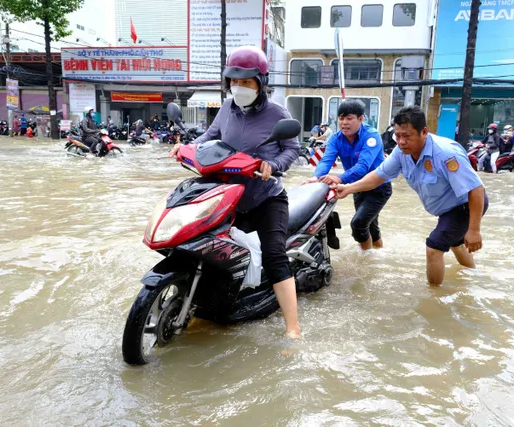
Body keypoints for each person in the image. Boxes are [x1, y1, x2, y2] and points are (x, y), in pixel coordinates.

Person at [168, 45, 301, 338]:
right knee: (199, 241)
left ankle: (293, 328)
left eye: (246, 82)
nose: (239, 87)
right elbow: (211, 136)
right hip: (227, 193)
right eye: (234, 81)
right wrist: (188, 148)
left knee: (274, 256)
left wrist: (273, 164)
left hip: (265, 196)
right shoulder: (227, 108)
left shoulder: (277, 113)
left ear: (261, 82)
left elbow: (292, 148)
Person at [333, 107, 488, 285]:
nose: (401, 142)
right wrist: (348, 188)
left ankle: (435, 299)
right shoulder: (401, 153)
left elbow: (476, 189)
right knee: (455, 243)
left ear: (424, 132)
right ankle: (473, 279)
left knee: (434, 247)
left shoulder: (446, 154)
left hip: (466, 205)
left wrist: (474, 230)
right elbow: (379, 175)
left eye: (407, 136)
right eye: (397, 136)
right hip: (448, 208)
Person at [303, 100, 391, 251]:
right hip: (356, 187)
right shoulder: (336, 139)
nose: (344, 123)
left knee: (358, 224)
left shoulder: (371, 136)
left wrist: (339, 178)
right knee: (371, 227)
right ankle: (377, 257)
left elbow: (362, 167)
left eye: (349, 118)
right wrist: (316, 177)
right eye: (341, 118)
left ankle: (365, 260)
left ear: (360, 119)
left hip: (379, 188)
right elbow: (326, 161)